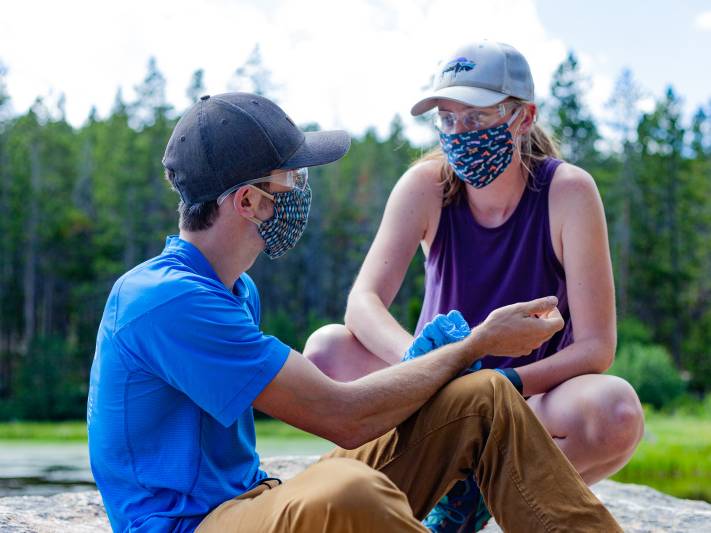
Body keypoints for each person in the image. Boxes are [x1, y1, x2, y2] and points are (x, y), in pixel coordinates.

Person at [87, 91, 622, 532]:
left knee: (482, 395)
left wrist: (472, 364)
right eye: (290, 178)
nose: (300, 189)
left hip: (252, 500)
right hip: (190, 525)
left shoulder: (233, 288)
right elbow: (343, 417)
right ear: (248, 202)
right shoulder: (167, 301)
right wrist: (475, 344)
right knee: (350, 489)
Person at [304, 41, 645, 531]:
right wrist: (423, 364)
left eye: (477, 117)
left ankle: (479, 496)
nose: (460, 133)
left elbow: (596, 347)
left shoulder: (568, 191)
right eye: (448, 119)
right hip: (428, 388)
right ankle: (434, 486)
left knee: (615, 411)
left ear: (523, 117)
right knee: (326, 350)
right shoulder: (426, 186)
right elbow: (363, 302)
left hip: (529, 401)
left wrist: (498, 389)